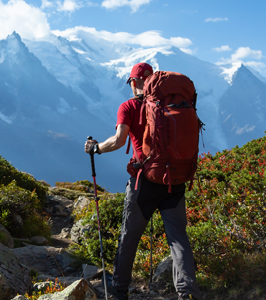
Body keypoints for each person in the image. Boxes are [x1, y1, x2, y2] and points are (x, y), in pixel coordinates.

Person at [84, 62, 202, 300]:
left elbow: (119, 141)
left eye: (131, 82)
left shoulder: (129, 106)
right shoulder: (175, 102)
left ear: (135, 82)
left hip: (143, 183)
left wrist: (96, 148)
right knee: (178, 238)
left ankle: (119, 290)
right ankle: (187, 292)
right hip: (174, 180)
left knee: (129, 237)